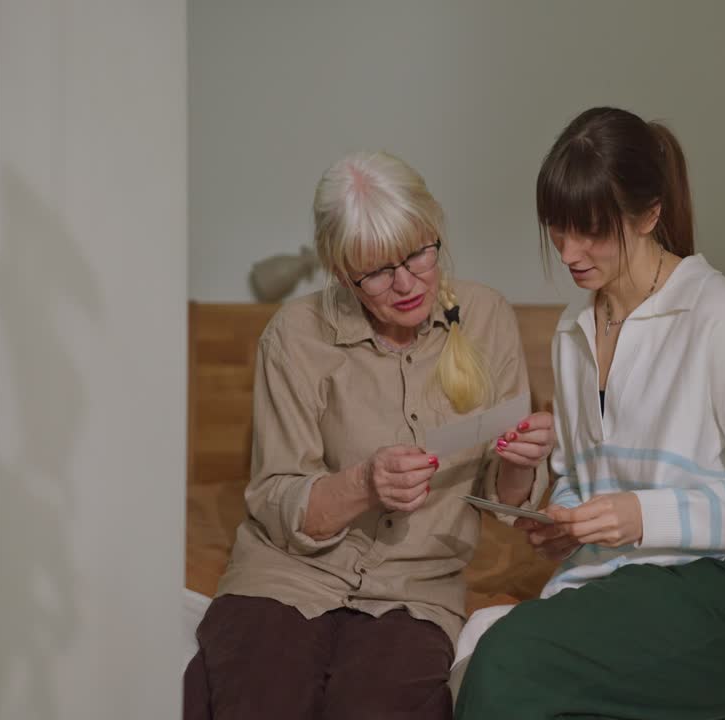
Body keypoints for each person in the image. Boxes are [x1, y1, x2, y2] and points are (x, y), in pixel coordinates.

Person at [455, 107, 725, 719]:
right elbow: (582, 482)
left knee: (506, 658)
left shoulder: (717, 313)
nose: (569, 252)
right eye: (557, 229)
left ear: (650, 214)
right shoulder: (573, 331)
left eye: (590, 231)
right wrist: (567, 523)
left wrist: (640, 516)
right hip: (623, 584)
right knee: (511, 666)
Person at [183, 151, 552, 720]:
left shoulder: (487, 318)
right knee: (256, 700)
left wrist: (522, 461)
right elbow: (277, 496)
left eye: (418, 254)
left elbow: (504, 501)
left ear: (434, 232)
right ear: (339, 271)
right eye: (376, 272)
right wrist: (364, 483)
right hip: (283, 579)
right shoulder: (293, 335)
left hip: (415, 594)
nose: (405, 283)